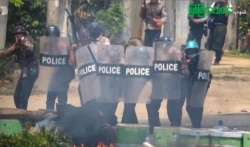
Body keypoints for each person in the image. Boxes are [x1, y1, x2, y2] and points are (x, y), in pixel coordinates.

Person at [168, 40, 213, 128]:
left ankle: (196, 125)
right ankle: (175, 125)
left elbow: (206, 75)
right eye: (189, 51)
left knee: (193, 107)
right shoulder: (182, 59)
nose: (192, 53)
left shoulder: (202, 60)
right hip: (183, 84)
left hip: (196, 85)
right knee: (175, 104)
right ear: (186, 51)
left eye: (194, 51)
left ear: (197, 51)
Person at [0, 25, 38, 110]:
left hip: (31, 71)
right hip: (24, 72)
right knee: (16, 96)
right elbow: (5, 53)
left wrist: (22, 41)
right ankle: (21, 113)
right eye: (16, 35)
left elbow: (30, 48)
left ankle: (23, 117)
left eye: (20, 34)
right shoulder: (16, 46)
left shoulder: (28, 41)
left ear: (23, 35)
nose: (18, 36)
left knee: (23, 97)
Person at [45, 25, 75, 111]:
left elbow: (68, 60)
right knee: (56, 99)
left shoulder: (60, 45)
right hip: (59, 76)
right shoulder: (57, 45)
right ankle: (55, 118)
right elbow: (72, 60)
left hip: (60, 76)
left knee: (55, 99)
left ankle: (55, 118)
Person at [206, 0, 233, 65]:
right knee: (209, 43)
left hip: (221, 25)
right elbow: (209, 12)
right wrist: (216, 8)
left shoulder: (228, 5)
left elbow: (226, 15)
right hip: (214, 25)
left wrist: (224, 6)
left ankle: (217, 59)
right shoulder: (215, 3)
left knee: (218, 44)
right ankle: (207, 60)